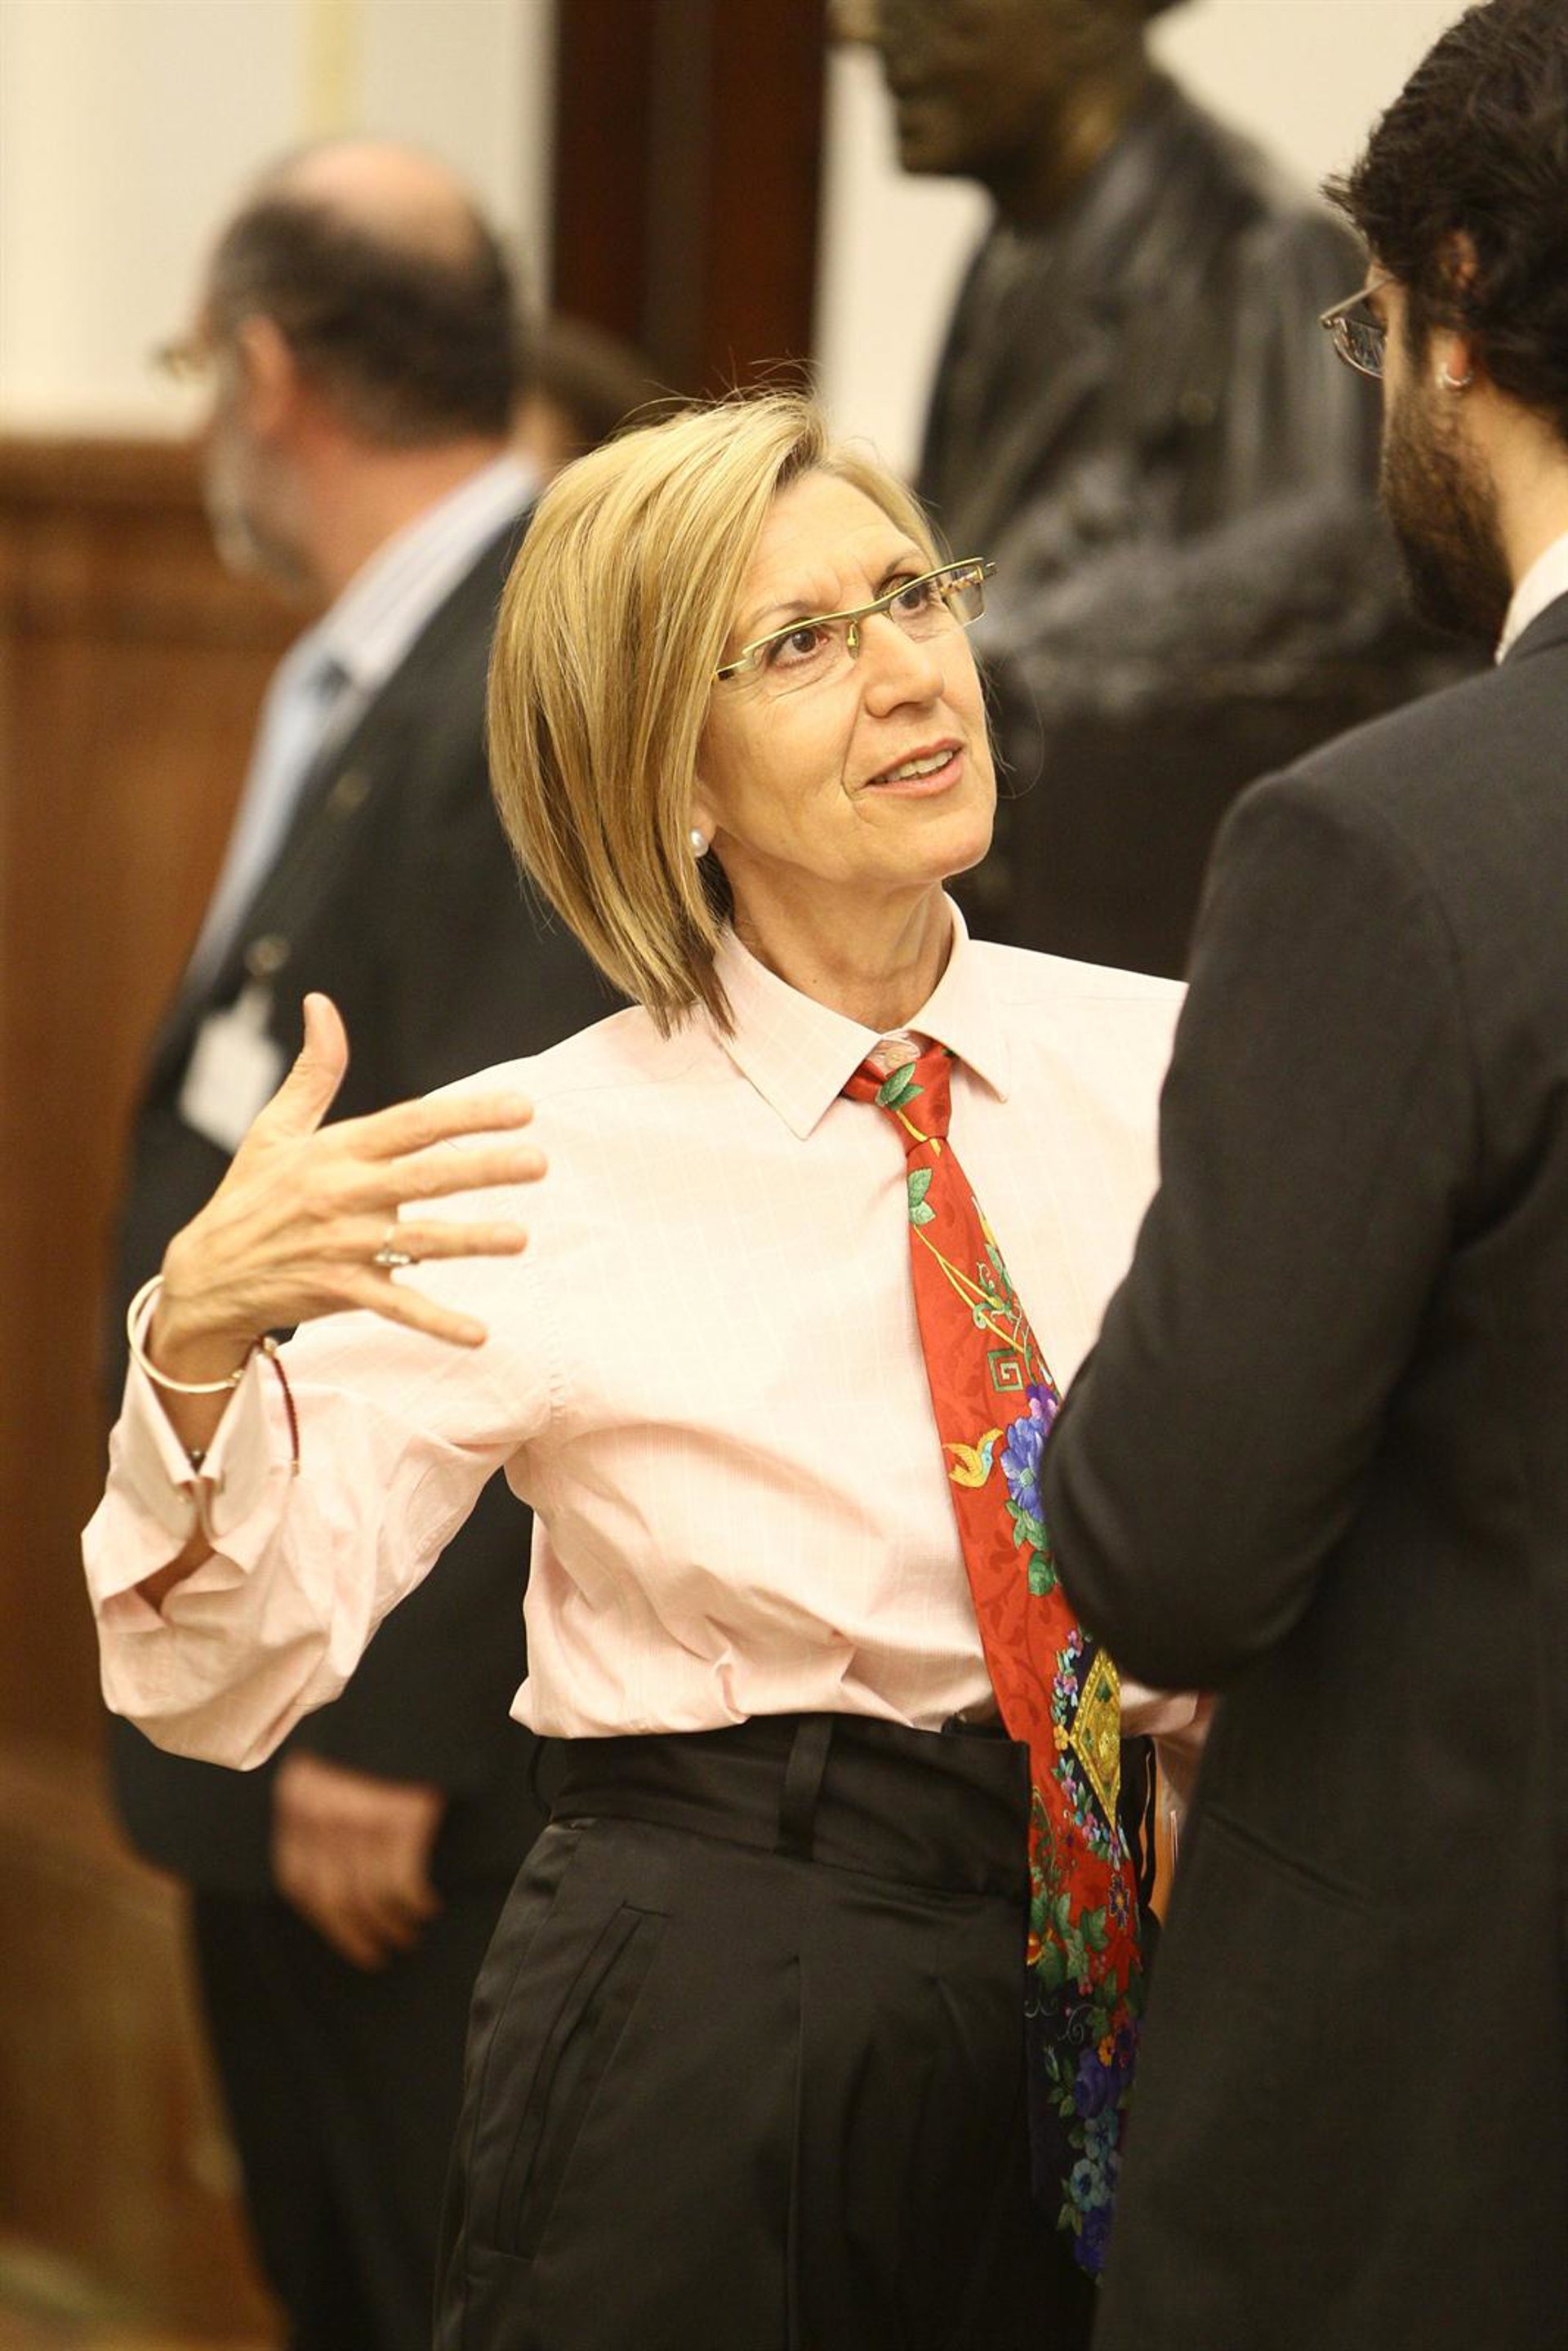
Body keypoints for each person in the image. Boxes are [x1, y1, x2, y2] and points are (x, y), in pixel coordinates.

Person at [85, 390, 1196, 2351]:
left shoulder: (1177, 1064)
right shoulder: (539, 1150)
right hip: (716, 1982)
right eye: (801, 643)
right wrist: (195, 1344)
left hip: (1115, 1973)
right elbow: (215, 1663)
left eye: (912, 594)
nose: (906, 672)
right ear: (667, 771)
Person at [1038, 4, 1568, 2343]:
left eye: (1366, 331)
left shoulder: (1394, 849)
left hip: (1458, 2118)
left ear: (1455, 300)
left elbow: (1172, 1544)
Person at [108, 140, 608, 2351]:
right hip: (296, 1668)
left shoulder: (509, 663)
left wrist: (383, 1715)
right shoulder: (396, 649)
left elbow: (505, 1199)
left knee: (415, 2273)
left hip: (382, 1739)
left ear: (264, 370)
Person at [843, 0, 1463, 976]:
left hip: (1154, 928)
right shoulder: (1017, 253)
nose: (870, 35)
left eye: (932, 10)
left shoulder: (1257, 254)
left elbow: (1318, 568)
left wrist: (976, 658)